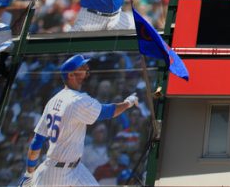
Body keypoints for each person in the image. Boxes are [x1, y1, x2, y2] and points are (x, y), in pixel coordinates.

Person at [18, 55, 139, 186]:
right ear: (70, 75)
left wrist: (29, 173)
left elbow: (37, 141)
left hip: (76, 168)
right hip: (56, 172)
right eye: (82, 67)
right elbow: (107, 112)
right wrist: (128, 103)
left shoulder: (53, 100)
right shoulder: (77, 100)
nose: (86, 69)